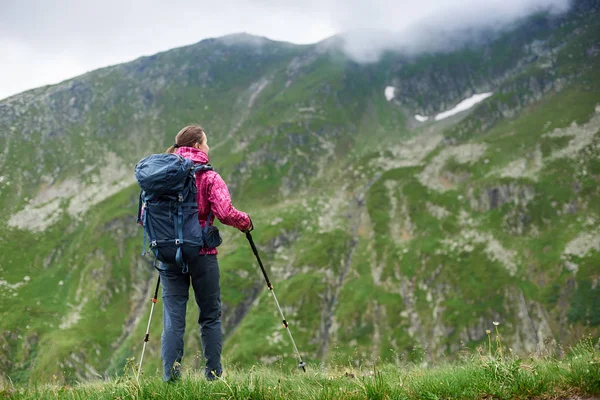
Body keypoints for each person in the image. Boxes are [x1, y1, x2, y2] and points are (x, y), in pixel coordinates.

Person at [160, 124, 252, 382]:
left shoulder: (162, 175)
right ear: (198, 146)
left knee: (173, 319)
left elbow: (147, 216)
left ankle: (171, 381)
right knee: (210, 316)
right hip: (202, 253)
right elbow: (225, 213)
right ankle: (213, 377)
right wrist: (246, 222)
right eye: (207, 142)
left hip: (169, 254)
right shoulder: (209, 177)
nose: (209, 147)